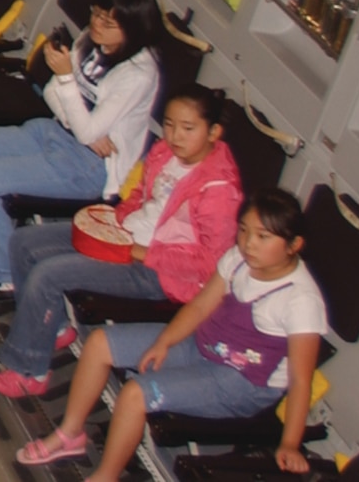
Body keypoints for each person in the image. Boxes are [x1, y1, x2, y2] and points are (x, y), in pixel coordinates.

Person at [16, 192, 324, 480]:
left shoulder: (301, 301)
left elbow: (300, 380)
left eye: (262, 237)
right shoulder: (238, 258)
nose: (248, 244)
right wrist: (164, 342)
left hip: (241, 383)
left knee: (136, 393)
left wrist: (290, 443)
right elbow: (202, 305)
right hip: (204, 346)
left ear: (294, 244)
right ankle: (71, 434)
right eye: (244, 231)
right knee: (99, 344)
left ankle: (105, 476)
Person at [0, 84, 242, 398]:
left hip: (159, 272)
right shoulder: (165, 151)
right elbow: (138, 193)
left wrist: (141, 252)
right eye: (169, 125)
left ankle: (30, 371)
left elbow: (208, 266)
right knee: (25, 243)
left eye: (188, 129)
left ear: (214, 132)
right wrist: (118, 219)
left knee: (48, 274)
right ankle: (52, 328)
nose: (175, 136)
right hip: (125, 237)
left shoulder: (219, 191)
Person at [0, 0, 166, 289]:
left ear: (133, 27)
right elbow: (51, 94)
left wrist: (68, 85)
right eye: (96, 13)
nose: (96, 24)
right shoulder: (91, 40)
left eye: (108, 20)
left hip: (88, 166)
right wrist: (80, 122)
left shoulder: (138, 74)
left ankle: (3, 274)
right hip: (55, 133)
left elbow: (71, 101)